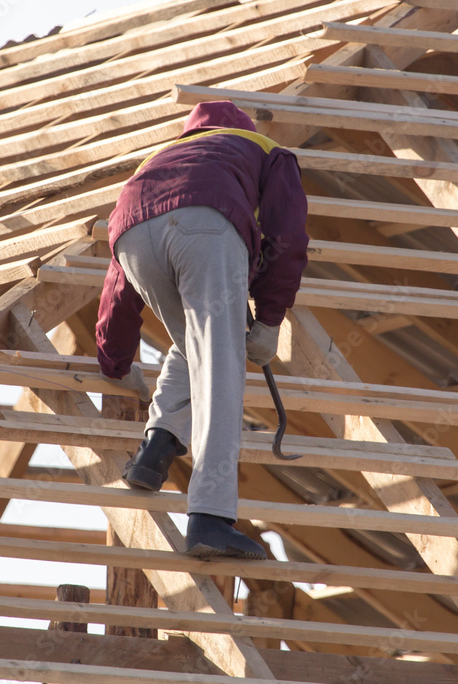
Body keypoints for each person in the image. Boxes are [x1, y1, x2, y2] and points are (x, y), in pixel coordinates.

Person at [96, 101, 309, 559]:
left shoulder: (154, 162)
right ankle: (210, 518)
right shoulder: (268, 150)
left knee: (197, 344)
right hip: (205, 226)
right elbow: (287, 236)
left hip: (130, 237)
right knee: (222, 369)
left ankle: (158, 446)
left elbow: (117, 282)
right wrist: (270, 320)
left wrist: (114, 358)